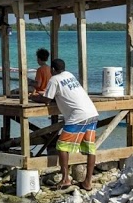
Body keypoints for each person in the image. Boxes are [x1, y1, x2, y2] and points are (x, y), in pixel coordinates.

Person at [31, 58, 98, 190]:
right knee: (90, 149)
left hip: (78, 116)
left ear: (53, 70)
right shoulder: (70, 75)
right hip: (92, 113)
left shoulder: (54, 79)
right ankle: (87, 182)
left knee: (62, 147)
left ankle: (65, 179)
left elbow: (46, 99)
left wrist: (32, 97)